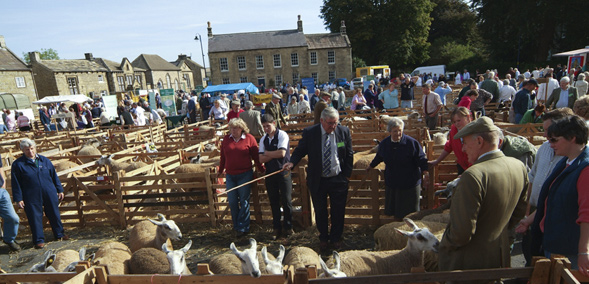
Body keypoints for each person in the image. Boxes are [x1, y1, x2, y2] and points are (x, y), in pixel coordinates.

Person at [439, 117, 528, 275]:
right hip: (499, 257)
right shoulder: (518, 166)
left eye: (465, 143)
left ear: (479, 141)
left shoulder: (473, 175)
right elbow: (518, 213)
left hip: (469, 265)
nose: (464, 149)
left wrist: (443, 245)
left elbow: (461, 233)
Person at [283, 107, 353, 251]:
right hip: (318, 179)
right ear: (321, 120)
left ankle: (336, 238)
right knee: (320, 211)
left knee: (338, 211)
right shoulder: (311, 133)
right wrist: (292, 162)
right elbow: (300, 150)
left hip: (338, 178)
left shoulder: (343, 132)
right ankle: (323, 237)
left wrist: (346, 174)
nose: (333, 126)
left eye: (335, 123)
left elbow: (349, 153)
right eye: (330, 123)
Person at [529, 115, 589, 273]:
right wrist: (531, 220)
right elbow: (553, 199)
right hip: (556, 242)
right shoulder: (566, 161)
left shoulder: (585, 169)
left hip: (570, 249)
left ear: (572, 138)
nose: (550, 144)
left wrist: (584, 251)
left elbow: (586, 214)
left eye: (554, 140)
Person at [514, 108, 573, 266]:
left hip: (553, 214)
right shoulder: (545, 148)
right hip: (535, 208)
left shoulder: (571, 156)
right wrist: (527, 213)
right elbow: (532, 177)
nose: (545, 135)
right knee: (530, 250)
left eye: (548, 131)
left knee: (547, 256)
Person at [367, 118, 428, 220]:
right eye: (395, 131)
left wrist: (425, 172)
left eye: (400, 130)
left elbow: (420, 158)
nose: (398, 133)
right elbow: (379, 157)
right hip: (393, 181)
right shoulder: (385, 144)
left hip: (410, 181)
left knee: (410, 210)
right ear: (390, 131)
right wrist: (371, 166)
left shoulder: (411, 143)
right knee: (396, 211)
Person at [11, 139, 68, 249]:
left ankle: (59, 234)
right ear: (22, 150)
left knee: (54, 212)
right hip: (30, 193)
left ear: (35, 148)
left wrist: (59, 189)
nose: (30, 152)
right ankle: (38, 240)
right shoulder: (18, 164)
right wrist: (19, 198)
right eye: (27, 150)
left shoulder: (44, 160)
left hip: (49, 191)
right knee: (34, 216)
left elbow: (54, 176)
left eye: (32, 149)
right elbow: (15, 182)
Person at [218, 118, 265, 238]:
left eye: (235, 128)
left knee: (244, 200)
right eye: (231, 128)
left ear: (241, 128)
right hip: (230, 175)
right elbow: (223, 156)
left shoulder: (249, 138)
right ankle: (236, 225)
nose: (233, 130)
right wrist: (220, 169)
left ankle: (243, 227)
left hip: (245, 174)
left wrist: (262, 169)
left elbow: (255, 155)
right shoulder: (226, 140)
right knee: (233, 201)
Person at [259, 114, 293, 240]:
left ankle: (288, 227)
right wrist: (273, 154)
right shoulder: (264, 139)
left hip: (283, 171)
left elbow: (282, 153)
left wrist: (267, 153)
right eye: (264, 127)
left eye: (268, 125)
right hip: (270, 172)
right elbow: (261, 158)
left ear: (274, 123)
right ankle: (276, 227)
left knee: (286, 200)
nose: (266, 129)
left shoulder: (282, 135)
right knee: (273, 201)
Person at [429, 107, 473, 174]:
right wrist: (437, 161)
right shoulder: (454, 130)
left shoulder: (474, 132)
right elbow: (449, 146)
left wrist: (469, 172)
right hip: (462, 166)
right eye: (454, 122)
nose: (456, 124)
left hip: (473, 168)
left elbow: (477, 155)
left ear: (467, 117)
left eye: (459, 120)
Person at [0, 153, 20, 251]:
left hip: (1, 191)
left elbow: (0, 167)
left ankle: (9, 239)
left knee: (13, 218)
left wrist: (3, 181)